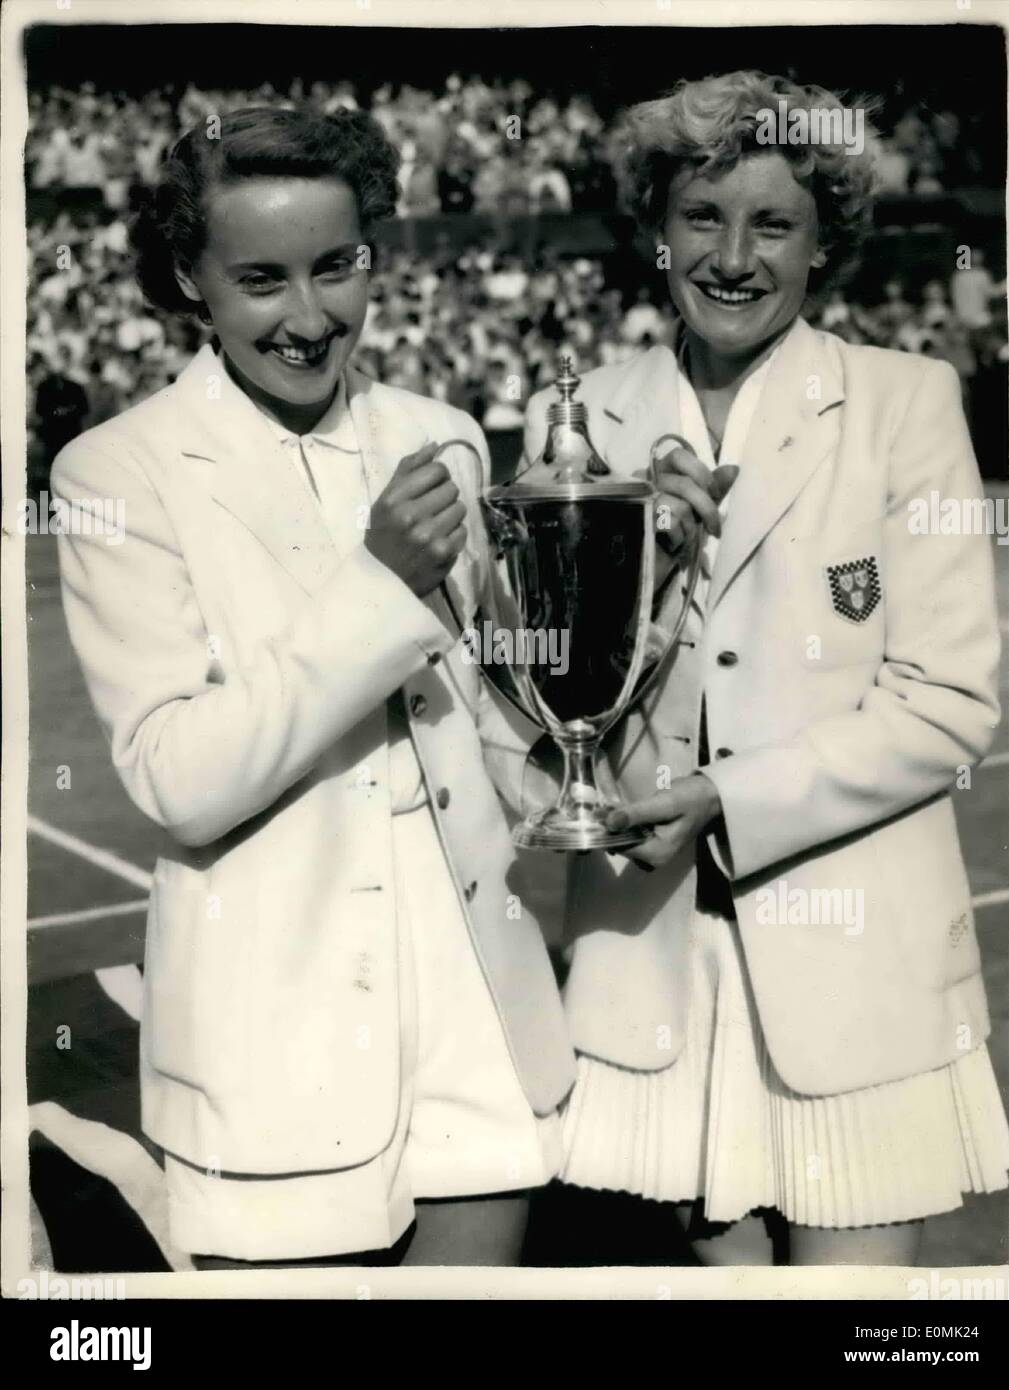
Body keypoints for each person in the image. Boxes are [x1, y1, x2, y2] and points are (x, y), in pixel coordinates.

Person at [50, 105, 574, 1269]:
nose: (309, 315)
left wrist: (569, 759)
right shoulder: (111, 473)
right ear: (191, 280)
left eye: (338, 267)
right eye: (261, 279)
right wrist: (380, 582)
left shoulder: (442, 434)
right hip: (270, 1030)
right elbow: (183, 780)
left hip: (473, 1005)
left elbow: (487, 707)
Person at [519, 71, 1009, 1266]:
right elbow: (544, 704)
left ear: (824, 244)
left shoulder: (906, 402)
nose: (732, 256)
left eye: (773, 223)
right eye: (702, 217)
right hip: (649, 973)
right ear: (652, 229)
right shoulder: (572, 419)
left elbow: (949, 702)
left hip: (860, 983)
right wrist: (651, 564)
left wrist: (729, 803)